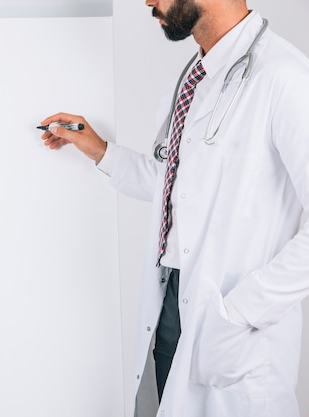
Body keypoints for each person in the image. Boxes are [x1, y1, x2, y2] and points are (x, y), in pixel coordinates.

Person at [40, 0, 309, 416]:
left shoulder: (285, 77)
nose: (147, 1)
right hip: (171, 306)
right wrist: (100, 150)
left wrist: (237, 313)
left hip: (234, 326)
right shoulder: (194, 78)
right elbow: (175, 185)